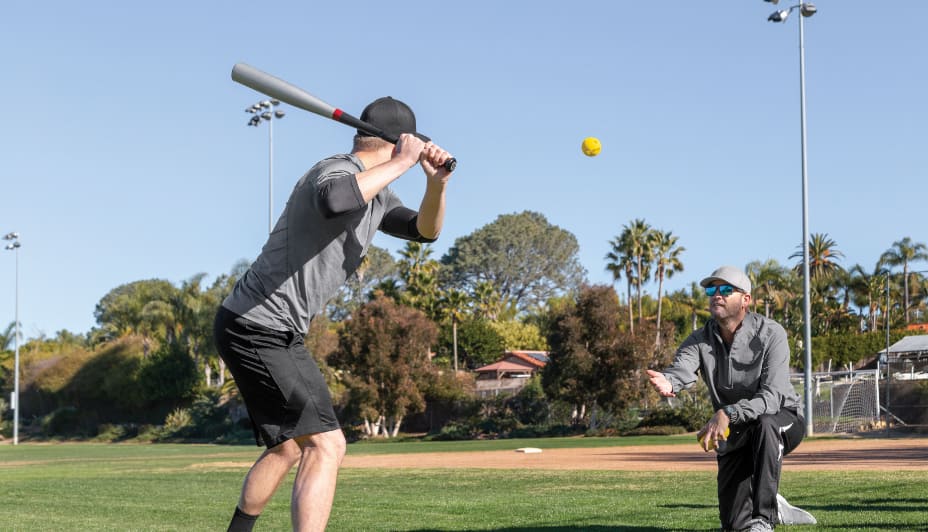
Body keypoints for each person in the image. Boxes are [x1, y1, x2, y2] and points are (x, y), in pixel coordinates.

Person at [214, 96, 454, 532]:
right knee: (327, 445)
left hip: (269, 329)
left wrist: (436, 183)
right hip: (258, 323)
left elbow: (424, 231)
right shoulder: (336, 170)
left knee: (288, 446)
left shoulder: (379, 191)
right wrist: (402, 161)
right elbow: (335, 201)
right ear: (400, 141)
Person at [646, 265, 815, 532]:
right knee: (733, 525)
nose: (716, 295)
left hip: (784, 419)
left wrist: (728, 413)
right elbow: (683, 367)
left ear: (746, 299)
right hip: (736, 430)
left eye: (726, 289)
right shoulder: (699, 339)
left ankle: (764, 517)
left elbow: (771, 398)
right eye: (711, 289)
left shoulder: (772, 334)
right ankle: (771, 500)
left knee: (766, 424)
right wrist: (671, 381)